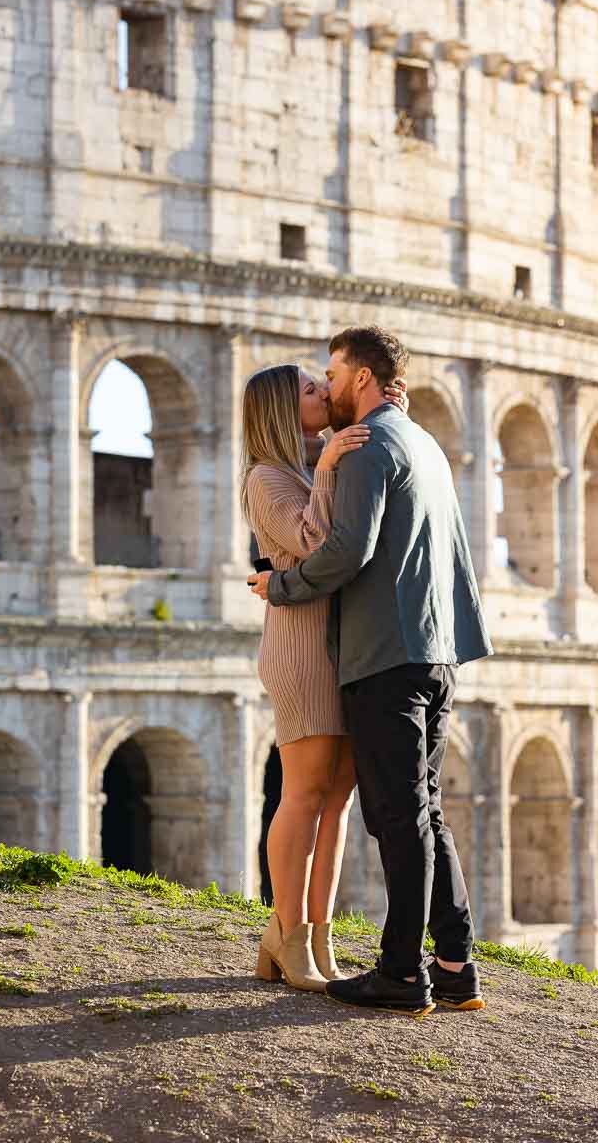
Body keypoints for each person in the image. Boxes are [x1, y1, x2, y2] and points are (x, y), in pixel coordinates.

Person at [248, 325, 492, 1019]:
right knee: (426, 811)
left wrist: (281, 586)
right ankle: (454, 965)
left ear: (361, 377)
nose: (325, 386)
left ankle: (400, 974)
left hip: (386, 654)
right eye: (311, 382)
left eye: (330, 372)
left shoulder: (361, 448)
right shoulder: (422, 442)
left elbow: (345, 550)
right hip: (437, 649)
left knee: (400, 815)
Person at [241, 362, 408, 993]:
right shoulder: (267, 477)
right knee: (304, 793)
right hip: (301, 649)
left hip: (341, 647)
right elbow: (313, 541)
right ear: (285, 410)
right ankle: (285, 933)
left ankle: (316, 936)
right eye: (313, 390)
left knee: (336, 800)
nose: (326, 394)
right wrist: (331, 466)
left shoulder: (317, 463)